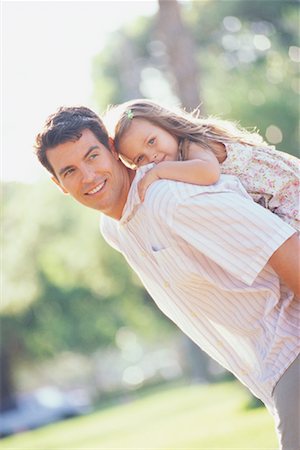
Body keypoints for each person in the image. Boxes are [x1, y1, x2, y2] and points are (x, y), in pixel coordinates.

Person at [34, 106, 300, 450]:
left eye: (93, 156)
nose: (88, 176)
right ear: (59, 185)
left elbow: (283, 243)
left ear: (113, 150)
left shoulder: (170, 198)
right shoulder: (115, 228)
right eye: (70, 170)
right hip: (272, 369)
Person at [104, 99, 299, 230]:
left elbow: (208, 173)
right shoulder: (181, 159)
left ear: (166, 125)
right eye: (140, 159)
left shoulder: (192, 144)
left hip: (287, 195)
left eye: (152, 141)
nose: (152, 157)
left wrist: (158, 172)